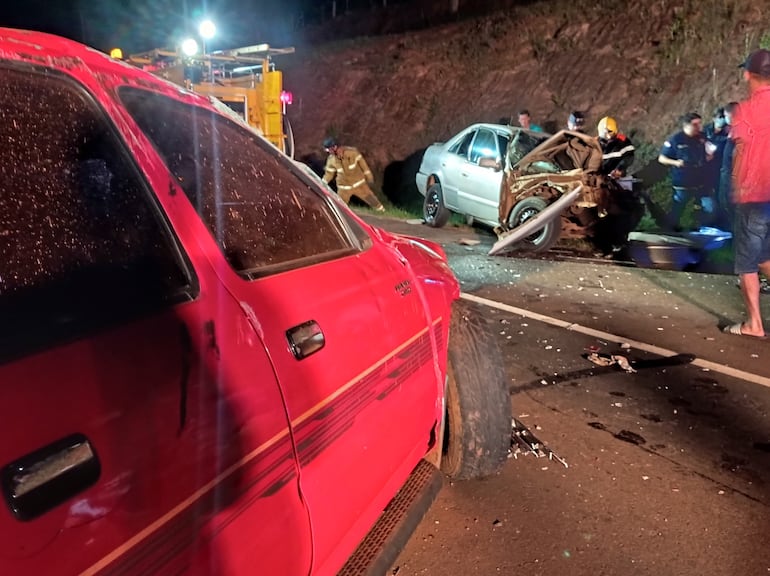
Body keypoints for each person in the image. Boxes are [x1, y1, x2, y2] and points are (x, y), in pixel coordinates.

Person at [723, 49, 770, 338]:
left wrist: (734, 187)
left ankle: (754, 324)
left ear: (747, 74)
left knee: (747, 261)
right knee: (766, 255)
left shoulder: (747, 109)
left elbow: (739, 150)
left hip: (754, 195)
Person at [657, 112, 714, 230]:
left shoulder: (702, 137)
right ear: (686, 125)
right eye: (695, 124)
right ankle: (671, 231)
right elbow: (662, 158)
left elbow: (710, 150)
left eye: (700, 124)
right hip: (683, 182)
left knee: (709, 207)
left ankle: (701, 229)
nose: (699, 127)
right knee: (678, 208)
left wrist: (710, 155)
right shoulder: (676, 140)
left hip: (701, 181)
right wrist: (676, 163)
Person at [322, 137, 385, 212]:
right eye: (327, 150)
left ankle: (382, 212)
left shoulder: (352, 153)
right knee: (340, 207)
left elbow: (363, 165)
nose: (329, 152)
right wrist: (322, 183)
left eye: (329, 149)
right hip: (344, 187)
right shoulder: (331, 160)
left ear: (335, 147)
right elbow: (329, 174)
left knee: (371, 199)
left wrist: (369, 176)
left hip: (358, 184)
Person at [716, 101, 740, 230]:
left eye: (726, 116)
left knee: (731, 206)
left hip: (733, 177)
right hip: (728, 174)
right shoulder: (732, 129)